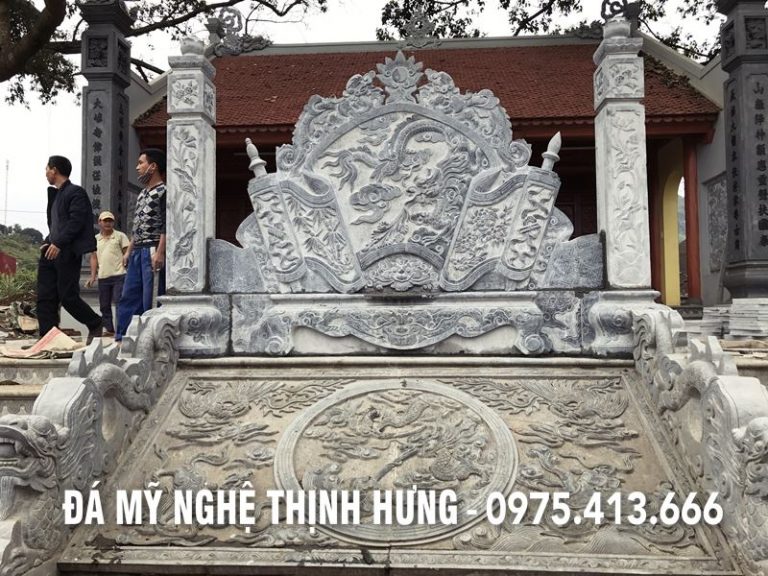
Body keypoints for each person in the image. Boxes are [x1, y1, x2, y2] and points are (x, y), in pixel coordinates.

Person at [38, 155, 103, 343]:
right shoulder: (56, 195)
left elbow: (76, 222)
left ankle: (95, 322)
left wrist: (59, 243)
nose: (45, 173)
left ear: (54, 170)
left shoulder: (76, 192)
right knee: (45, 296)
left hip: (66, 251)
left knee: (67, 296)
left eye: (47, 169)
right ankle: (48, 337)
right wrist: (48, 241)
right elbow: (56, 225)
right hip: (51, 250)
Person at [115, 149, 167, 341]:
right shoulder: (142, 193)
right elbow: (136, 226)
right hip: (137, 250)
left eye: (141, 163)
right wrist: (128, 251)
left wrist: (160, 252)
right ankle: (123, 338)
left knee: (150, 298)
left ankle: (149, 339)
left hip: (152, 249)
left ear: (153, 166)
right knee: (129, 295)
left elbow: (166, 225)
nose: (137, 167)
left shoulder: (164, 192)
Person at [85, 211, 130, 337]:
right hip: (103, 276)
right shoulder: (95, 239)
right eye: (105, 221)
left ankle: (122, 330)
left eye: (110, 221)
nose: (108, 223)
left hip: (119, 274)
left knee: (119, 302)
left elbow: (127, 253)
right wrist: (93, 276)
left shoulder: (120, 236)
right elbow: (94, 258)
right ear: (99, 222)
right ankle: (109, 330)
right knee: (104, 305)